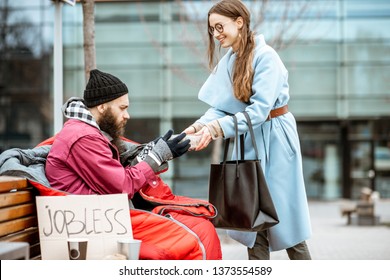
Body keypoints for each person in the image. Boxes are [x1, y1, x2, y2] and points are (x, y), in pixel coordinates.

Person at [183, 0, 312, 260]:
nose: (216, 33)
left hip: (276, 138)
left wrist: (214, 129)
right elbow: (222, 107)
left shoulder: (267, 58)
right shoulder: (232, 60)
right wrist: (198, 126)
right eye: (212, 29)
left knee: (287, 222)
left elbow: (258, 111)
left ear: (239, 22)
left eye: (220, 26)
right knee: (254, 218)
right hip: (251, 139)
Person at [45, 69, 190, 197]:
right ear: (102, 107)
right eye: (122, 108)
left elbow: (116, 178)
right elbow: (122, 187)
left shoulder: (87, 132)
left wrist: (150, 151)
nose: (127, 115)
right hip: (93, 219)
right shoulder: (84, 138)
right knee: (198, 225)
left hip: (98, 215)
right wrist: (157, 156)